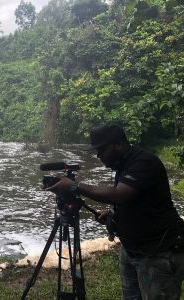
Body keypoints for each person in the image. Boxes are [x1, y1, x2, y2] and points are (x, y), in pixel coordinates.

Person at [46, 123, 184, 300]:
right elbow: (136, 199)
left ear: (119, 144)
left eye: (102, 150)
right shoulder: (123, 164)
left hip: (158, 252)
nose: (99, 156)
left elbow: (120, 194)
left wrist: (75, 186)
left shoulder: (144, 162)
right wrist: (114, 213)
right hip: (132, 249)